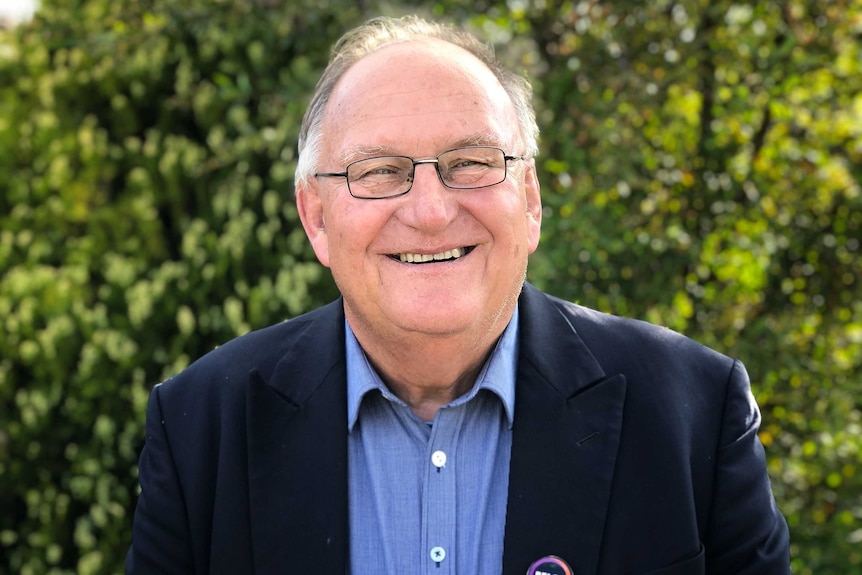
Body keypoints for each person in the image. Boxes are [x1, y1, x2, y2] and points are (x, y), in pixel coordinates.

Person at [126, 14, 790, 575]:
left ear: (529, 199)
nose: (431, 210)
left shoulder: (693, 414)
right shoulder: (199, 431)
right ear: (316, 217)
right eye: (379, 171)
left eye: (469, 163)